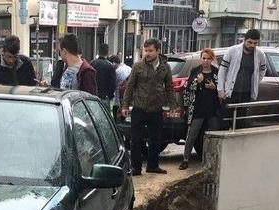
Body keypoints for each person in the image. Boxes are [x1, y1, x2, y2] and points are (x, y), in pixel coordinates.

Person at [120, 38, 175, 175]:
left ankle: (153, 165)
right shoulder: (138, 66)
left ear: (157, 51)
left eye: (150, 51)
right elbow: (130, 87)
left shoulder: (165, 67)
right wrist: (125, 105)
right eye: (146, 51)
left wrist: (173, 105)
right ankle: (136, 168)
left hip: (156, 109)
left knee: (155, 139)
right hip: (139, 108)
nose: (147, 54)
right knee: (136, 140)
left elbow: (169, 87)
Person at [217, 29, 267, 128]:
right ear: (244, 40)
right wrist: (220, 89)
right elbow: (222, 70)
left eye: (255, 43)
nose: (252, 45)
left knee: (241, 123)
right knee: (225, 122)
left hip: (246, 94)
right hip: (230, 93)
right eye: (250, 42)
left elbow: (262, 70)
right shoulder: (232, 51)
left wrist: (256, 82)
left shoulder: (260, 55)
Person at [181, 48, 221, 170]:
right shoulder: (195, 71)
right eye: (204, 58)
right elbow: (187, 89)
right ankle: (185, 159)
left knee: (215, 134)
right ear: (201, 59)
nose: (206, 61)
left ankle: (216, 159)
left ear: (212, 59)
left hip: (212, 108)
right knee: (192, 134)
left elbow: (221, 88)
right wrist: (197, 82)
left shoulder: (216, 72)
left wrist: (214, 87)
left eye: (208, 58)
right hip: (198, 108)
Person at [92, 43, 117, 108]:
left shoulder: (92, 63)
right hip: (105, 96)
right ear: (107, 52)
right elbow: (112, 84)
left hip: (92, 96)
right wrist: (110, 95)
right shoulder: (110, 66)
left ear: (98, 51)